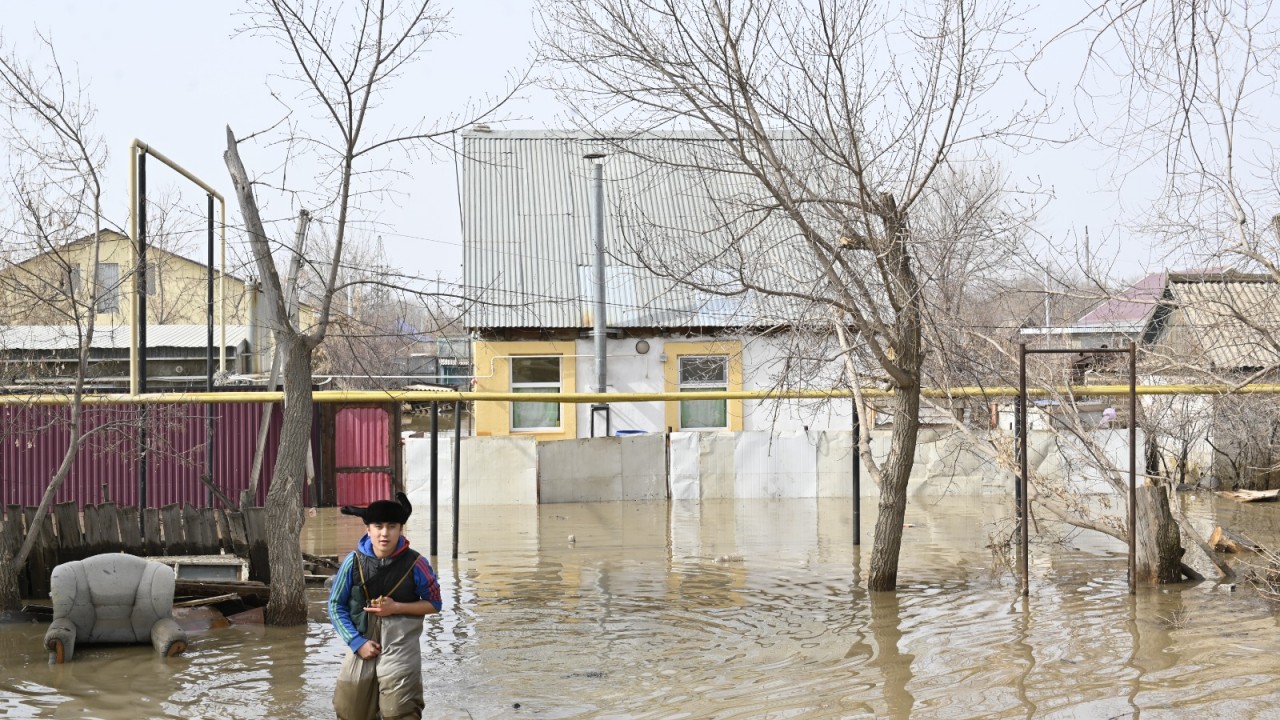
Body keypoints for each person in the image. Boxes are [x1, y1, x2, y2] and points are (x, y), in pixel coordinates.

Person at [329, 492, 441, 720]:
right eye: (378, 526)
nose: (384, 533)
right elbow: (335, 606)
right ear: (368, 530)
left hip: (400, 643)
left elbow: (434, 604)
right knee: (350, 710)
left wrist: (396, 607)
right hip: (362, 642)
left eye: (392, 526)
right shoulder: (353, 562)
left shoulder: (417, 563)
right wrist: (356, 642)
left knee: (399, 711)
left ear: (400, 529)